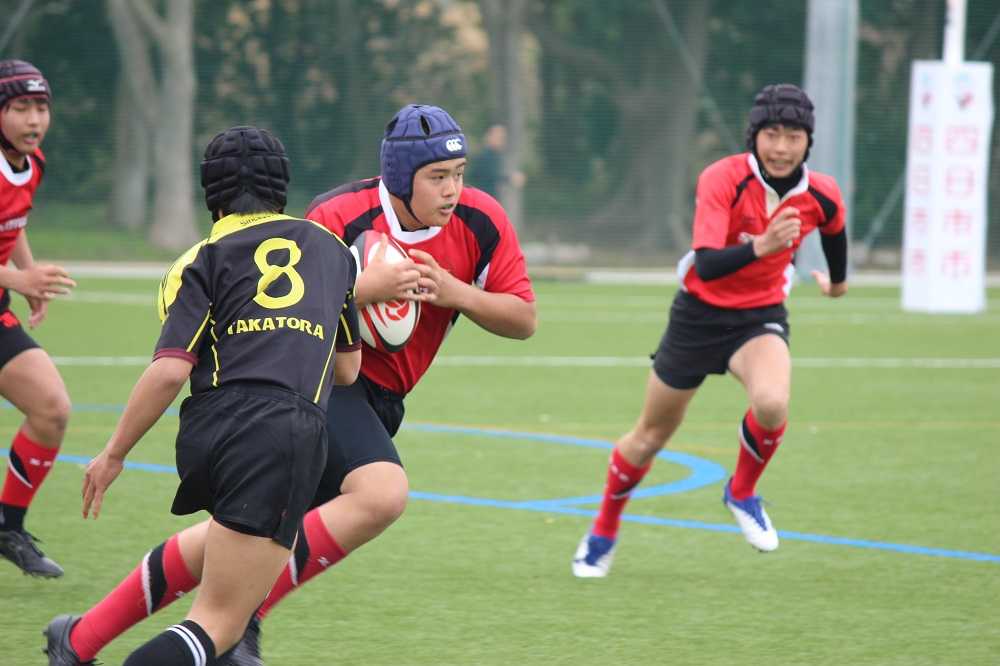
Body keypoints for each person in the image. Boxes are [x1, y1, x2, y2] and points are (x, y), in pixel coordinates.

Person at [44, 104, 536, 665]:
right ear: (401, 177)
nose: (452, 189)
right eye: (437, 176)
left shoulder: (482, 218)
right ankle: (242, 622)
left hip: (371, 400)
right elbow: (287, 301)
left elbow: (523, 319)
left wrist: (454, 292)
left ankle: (79, 638)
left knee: (231, 540)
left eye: (459, 174)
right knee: (381, 494)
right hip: (317, 383)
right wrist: (366, 288)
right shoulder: (337, 214)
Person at [45, 125, 363, 666]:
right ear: (281, 186)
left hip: (209, 430)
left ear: (211, 194)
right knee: (218, 625)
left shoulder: (196, 259)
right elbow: (349, 369)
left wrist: (113, 453)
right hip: (281, 432)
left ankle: (78, 639)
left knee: (218, 547)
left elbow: (172, 370)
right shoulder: (333, 251)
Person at [572, 84, 849, 578]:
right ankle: (603, 530)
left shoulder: (822, 192)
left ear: (809, 142)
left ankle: (741, 491)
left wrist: (838, 284)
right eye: (771, 134)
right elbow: (707, 262)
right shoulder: (723, 178)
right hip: (698, 316)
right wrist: (762, 246)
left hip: (759, 316)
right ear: (754, 136)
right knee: (650, 435)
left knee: (772, 403)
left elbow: (835, 230)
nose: (781, 147)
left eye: (793, 136)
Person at [0, 58, 76, 579]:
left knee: (52, 410)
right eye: (21, 107)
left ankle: (8, 528)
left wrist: (26, 276)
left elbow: (14, 221)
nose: (34, 120)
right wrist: (18, 279)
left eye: (41, 107)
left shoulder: (32, 164)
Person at [467, 123, 524, 198]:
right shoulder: (485, 156)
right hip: (483, 198)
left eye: (503, 138)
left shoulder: (495, 156)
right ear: (488, 137)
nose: (501, 141)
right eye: (498, 137)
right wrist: (510, 179)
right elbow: (490, 176)